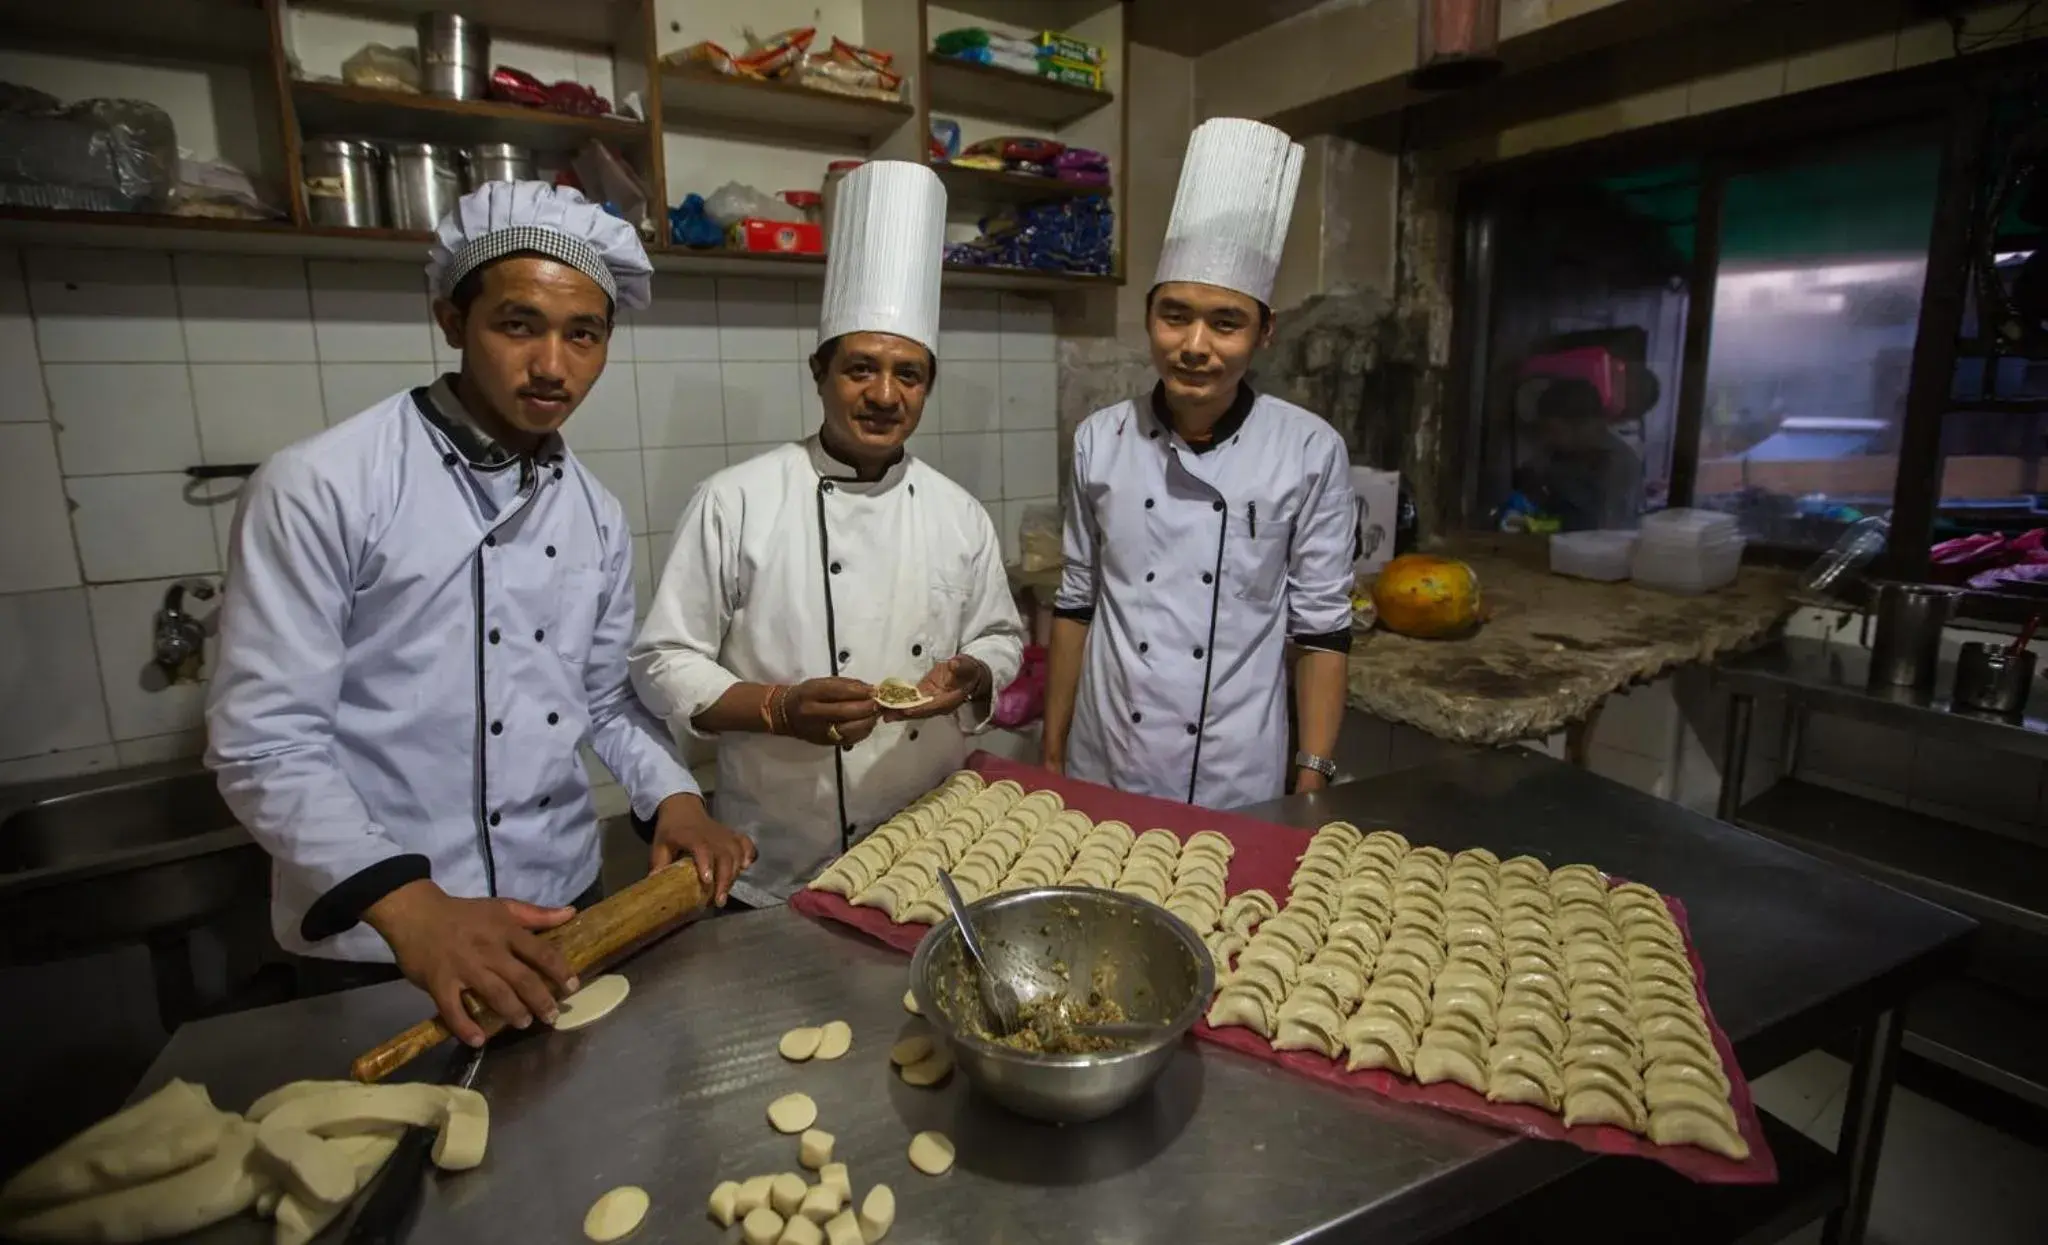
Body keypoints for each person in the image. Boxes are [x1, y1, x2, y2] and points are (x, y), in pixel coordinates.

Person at [206, 182, 754, 1046]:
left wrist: (676, 799)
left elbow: (605, 700)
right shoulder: (323, 485)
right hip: (383, 937)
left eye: (584, 334)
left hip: (558, 910)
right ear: (452, 320)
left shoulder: (594, 512)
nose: (553, 366)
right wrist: (415, 908)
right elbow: (266, 743)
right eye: (518, 324)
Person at [630, 161, 1025, 906]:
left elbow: (1002, 636)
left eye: (909, 374)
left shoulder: (958, 512)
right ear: (819, 372)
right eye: (861, 369)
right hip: (780, 859)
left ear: (927, 385)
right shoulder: (736, 501)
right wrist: (777, 708)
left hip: (929, 852)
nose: (884, 394)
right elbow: (662, 661)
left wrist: (975, 672)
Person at [1042, 118, 1357, 809]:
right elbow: (1075, 603)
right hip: (1106, 758)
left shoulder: (1309, 451)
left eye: (1225, 322)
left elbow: (1323, 629)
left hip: (1233, 773)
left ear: (1265, 331)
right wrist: (1053, 751)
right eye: (1174, 315)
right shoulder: (1100, 439)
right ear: (1149, 314)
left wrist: (1311, 778)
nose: (1193, 345)